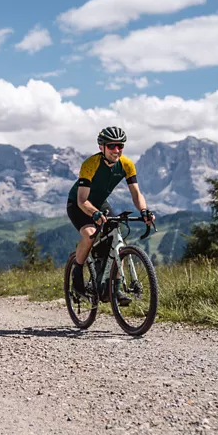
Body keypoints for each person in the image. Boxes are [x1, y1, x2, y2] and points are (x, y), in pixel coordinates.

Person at [66, 126, 154, 305]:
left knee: (116, 241)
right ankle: (77, 272)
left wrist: (144, 211)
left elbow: (136, 194)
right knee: (90, 233)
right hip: (78, 203)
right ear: (102, 147)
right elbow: (82, 200)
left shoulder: (127, 165)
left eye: (120, 146)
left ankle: (115, 288)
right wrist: (94, 213)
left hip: (100, 203)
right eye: (112, 146)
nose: (117, 150)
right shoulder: (90, 164)